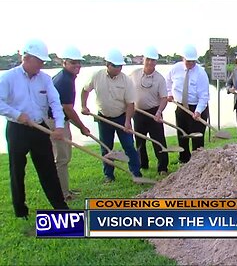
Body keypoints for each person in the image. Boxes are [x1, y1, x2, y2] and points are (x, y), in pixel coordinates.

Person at [0, 39, 69, 219]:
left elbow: (55, 102)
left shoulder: (45, 79)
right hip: (17, 129)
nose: (41, 65)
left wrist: (60, 126)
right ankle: (20, 210)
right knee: (17, 169)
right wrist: (16, 114)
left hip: (39, 127)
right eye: (38, 61)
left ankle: (60, 207)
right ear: (27, 58)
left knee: (48, 168)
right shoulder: (8, 77)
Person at [81, 48, 141, 183]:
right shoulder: (97, 76)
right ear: (107, 64)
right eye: (115, 66)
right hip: (103, 117)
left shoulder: (126, 80)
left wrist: (127, 122)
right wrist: (84, 106)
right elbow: (85, 90)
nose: (118, 68)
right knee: (106, 147)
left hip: (121, 116)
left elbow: (130, 104)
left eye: (120, 66)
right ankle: (109, 175)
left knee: (129, 146)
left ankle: (136, 172)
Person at [45, 46, 90, 201]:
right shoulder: (64, 80)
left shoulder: (67, 77)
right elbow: (68, 108)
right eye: (73, 63)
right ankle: (63, 194)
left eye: (78, 63)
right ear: (64, 63)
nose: (77, 66)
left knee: (64, 158)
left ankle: (65, 190)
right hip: (55, 123)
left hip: (59, 120)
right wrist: (82, 127)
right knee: (62, 159)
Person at [165, 44, 209, 163]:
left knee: (197, 139)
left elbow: (204, 96)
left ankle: (197, 163)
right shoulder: (175, 69)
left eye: (193, 61)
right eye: (188, 61)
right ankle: (184, 160)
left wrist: (198, 111)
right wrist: (169, 93)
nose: (190, 64)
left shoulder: (201, 73)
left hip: (198, 108)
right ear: (182, 58)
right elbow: (167, 81)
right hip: (181, 107)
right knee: (182, 136)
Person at [130, 46, 169, 174]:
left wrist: (158, 112)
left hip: (154, 113)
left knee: (159, 141)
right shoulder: (134, 75)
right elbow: (126, 92)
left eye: (153, 60)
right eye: (148, 59)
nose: (150, 62)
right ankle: (143, 164)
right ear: (143, 59)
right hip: (138, 112)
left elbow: (164, 98)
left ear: (156, 62)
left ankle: (162, 167)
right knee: (140, 141)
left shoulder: (160, 79)